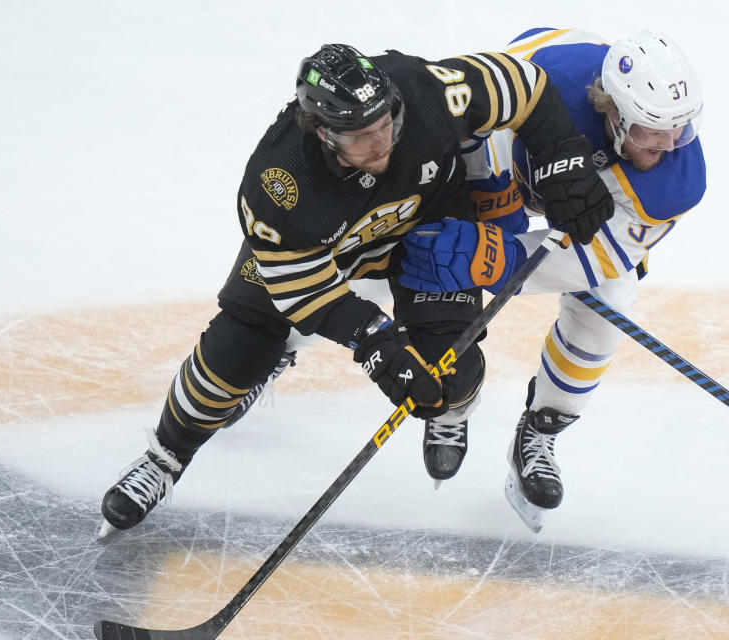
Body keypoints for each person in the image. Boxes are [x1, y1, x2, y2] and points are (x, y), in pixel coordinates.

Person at [98, 43, 614, 536]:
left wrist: (561, 161)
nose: (381, 142)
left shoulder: (426, 93)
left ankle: (449, 416)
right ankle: (165, 458)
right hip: (322, 256)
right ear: (322, 132)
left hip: (427, 234)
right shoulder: (278, 184)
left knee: (449, 375)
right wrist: (375, 344)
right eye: (360, 136)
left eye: (386, 124)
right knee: (240, 346)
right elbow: (303, 288)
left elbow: (523, 83)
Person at [400, 28, 706, 531]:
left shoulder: (677, 175)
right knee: (424, 259)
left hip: (587, 191)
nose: (672, 145)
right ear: (616, 113)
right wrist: (475, 231)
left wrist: (491, 260)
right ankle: (447, 396)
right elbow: (454, 104)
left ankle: (541, 427)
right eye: (656, 130)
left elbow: (599, 257)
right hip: (504, 144)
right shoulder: (547, 78)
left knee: (607, 311)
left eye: (682, 127)